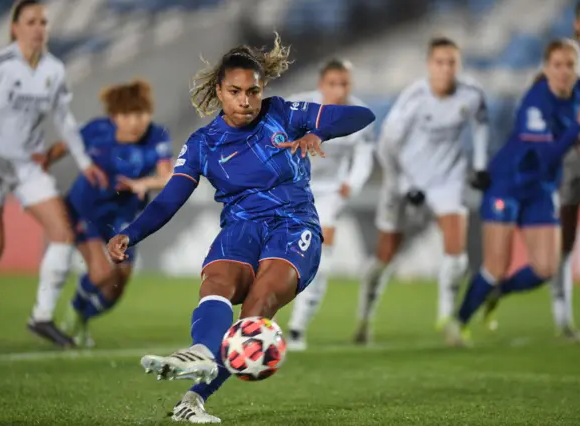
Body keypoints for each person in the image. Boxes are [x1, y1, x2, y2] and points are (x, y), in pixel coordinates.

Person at [106, 34, 375, 423]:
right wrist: (131, 232)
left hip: (293, 225)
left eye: (253, 90)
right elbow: (169, 198)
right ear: (219, 91)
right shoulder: (204, 143)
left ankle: (195, 394)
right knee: (216, 281)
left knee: (258, 307)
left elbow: (360, 116)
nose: (246, 100)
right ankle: (199, 361)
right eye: (235, 91)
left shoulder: (283, 113)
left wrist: (319, 132)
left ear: (262, 88)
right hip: (242, 226)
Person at [0, 0, 106, 351]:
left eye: (43, 21)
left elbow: (65, 119)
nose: (39, 27)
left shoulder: (54, 70)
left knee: (62, 233)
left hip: (28, 165)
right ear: (15, 28)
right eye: (31, 21)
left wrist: (84, 161)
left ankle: (41, 316)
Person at [445, 39, 580, 347]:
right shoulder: (535, 101)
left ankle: (497, 292)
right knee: (496, 267)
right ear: (546, 68)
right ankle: (458, 322)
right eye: (557, 65)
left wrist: (574, 136)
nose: (564, 71)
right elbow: (547, 155)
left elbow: (558, 139)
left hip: (540, 189)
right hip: (508, 184)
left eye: (570, 65)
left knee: (546, 268)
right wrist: (577, 129)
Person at [353, 37, 490, 344]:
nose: (445, 69)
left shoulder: (472, 94)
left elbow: (481, 122)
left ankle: (446, 319)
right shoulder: (413, 99)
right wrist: (407, 185)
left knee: (457, 256)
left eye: (451, 62)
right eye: (439, 63)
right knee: (385, 255)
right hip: (404, 178)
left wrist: (480, 165)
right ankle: (364, 319)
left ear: (459, 65)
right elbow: (387, 146)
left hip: (447, 180)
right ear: (429, 66)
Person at [42, 80, 173, 347]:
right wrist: (39, 170)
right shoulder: (96, 130)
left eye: (141, 114)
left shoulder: (157, 136)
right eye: (128, 115)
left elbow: (167, 176)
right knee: (102, 273)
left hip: (123, 216)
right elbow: (61, 147)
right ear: (115, 116)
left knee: (117, 286)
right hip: (84, 210)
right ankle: (73, 313)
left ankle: (82, 315)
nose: (136, 122)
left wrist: (142, 184)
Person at [285, 58, 375, 351]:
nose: (338, 90)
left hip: (329, 193)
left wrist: (352, 184)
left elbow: (364, 155)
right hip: (293, 188)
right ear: (321, 85)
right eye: (332, 84)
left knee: (319, 259)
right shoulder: (300, 107)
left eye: (344, 83)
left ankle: (297, 329)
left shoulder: (358, 116)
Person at [549, 0, 580, 343]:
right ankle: (563, 319)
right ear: (577, 24)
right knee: (564, 243)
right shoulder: (567, 63)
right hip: (565, 166)